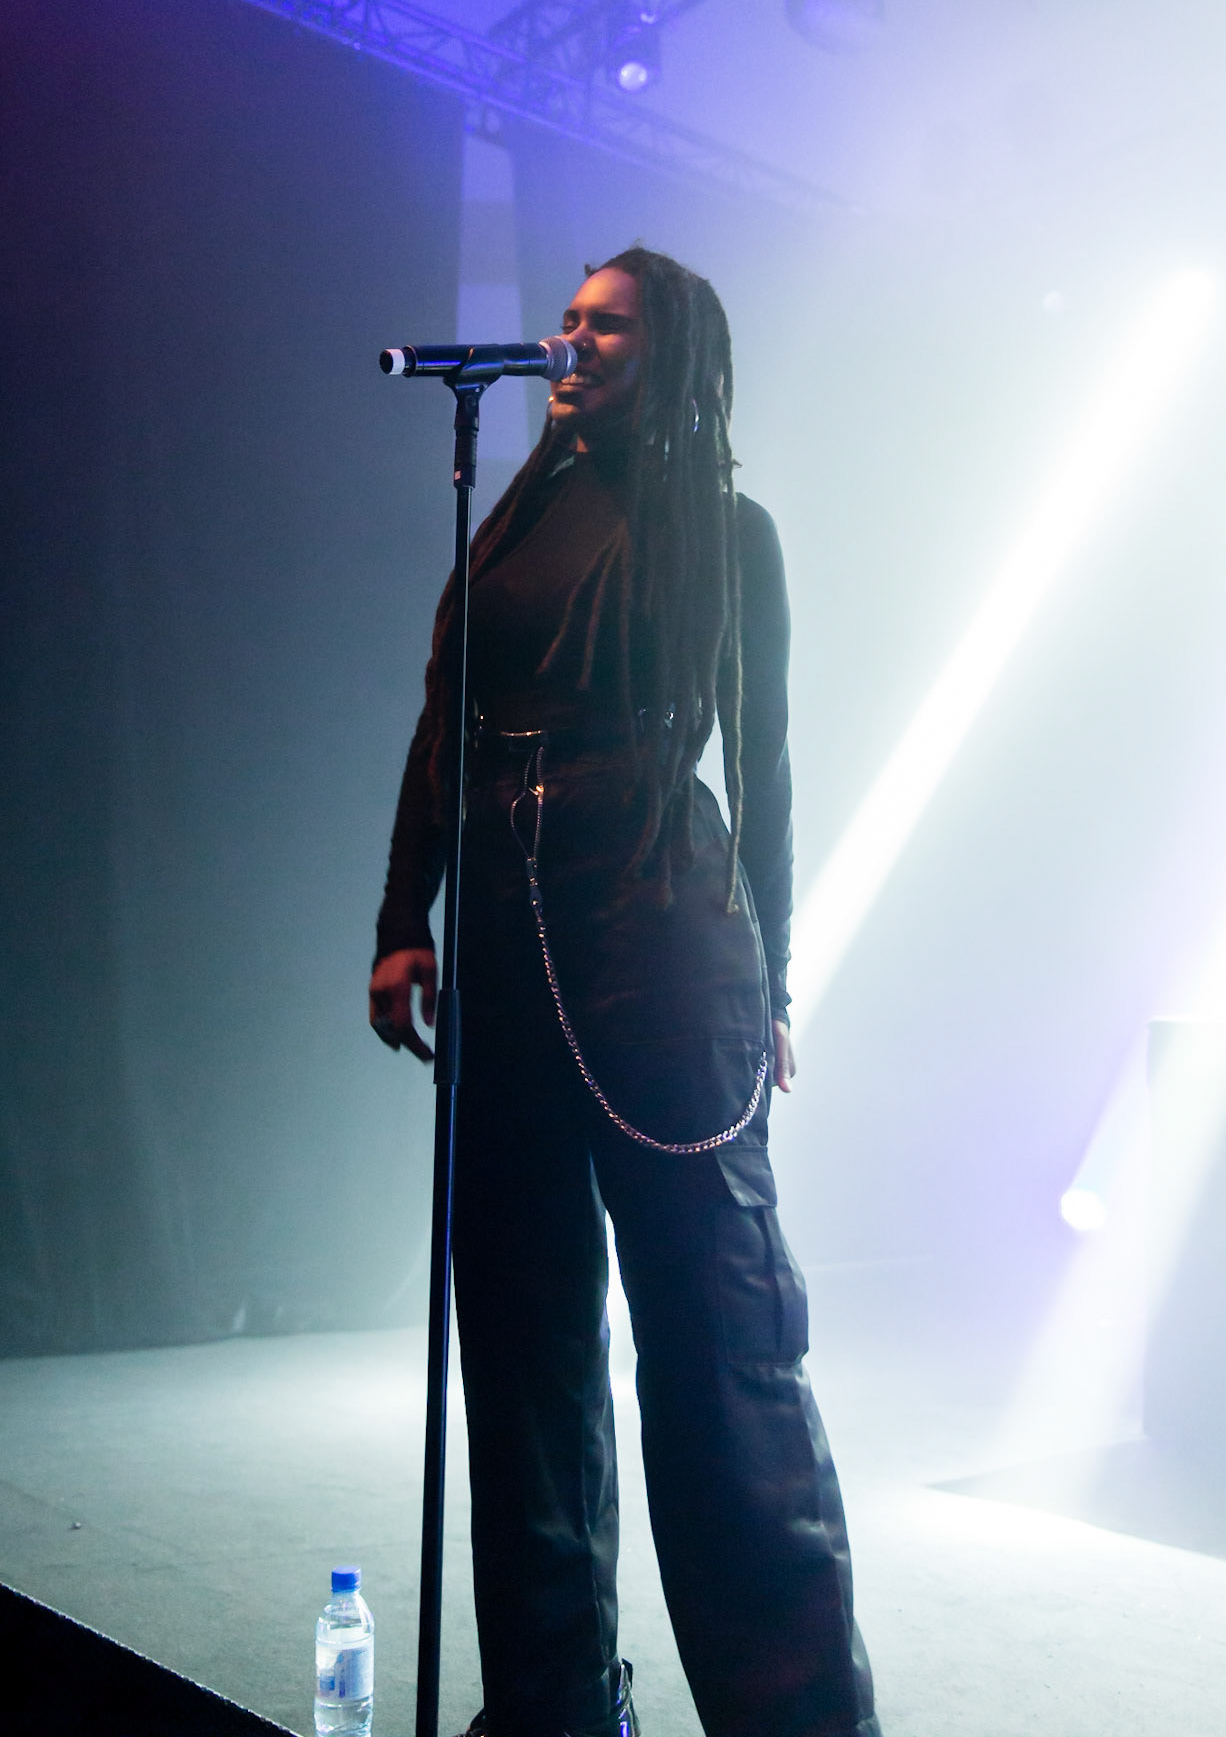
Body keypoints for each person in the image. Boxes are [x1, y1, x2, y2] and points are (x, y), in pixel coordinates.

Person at [369, 248, 879, 1737]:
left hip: (655, 933)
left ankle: (792, 1716)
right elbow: (438, 729)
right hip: (511, 942)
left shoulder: (726, 532)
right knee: (520, 1339)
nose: (567, 340)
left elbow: (762, 763)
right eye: (567, 319)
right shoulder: (509, 518)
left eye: (605, 324)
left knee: (715, 1345)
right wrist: (405, 917)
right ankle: (549, 1703)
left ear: (674, 357)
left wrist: (771, 973)